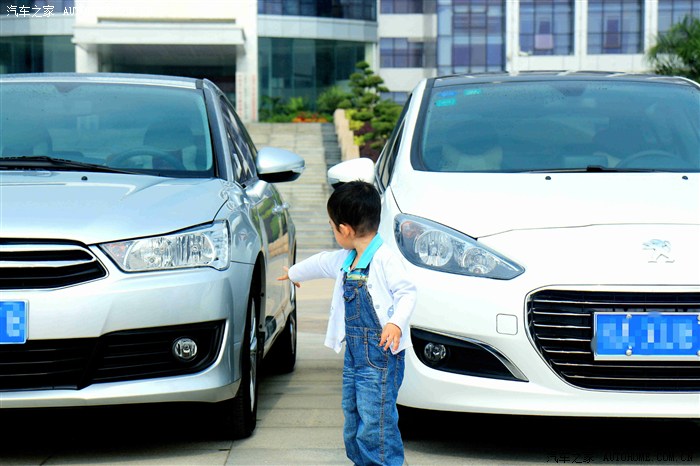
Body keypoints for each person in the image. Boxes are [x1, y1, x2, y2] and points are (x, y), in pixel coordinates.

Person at [278, 180, 417, 466]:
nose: (333, 231)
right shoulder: (346, 259)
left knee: (376, 421)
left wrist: (395, 323)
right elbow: (320, 263)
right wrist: (294, 273)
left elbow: (407, 293)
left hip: (380, 356)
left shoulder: (385, 259)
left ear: (345, 230)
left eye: (332, 227)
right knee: (353, 416)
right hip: (355, 356)